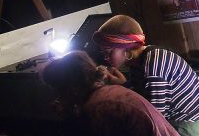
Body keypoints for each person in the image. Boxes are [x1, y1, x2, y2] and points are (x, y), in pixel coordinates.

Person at [92, 15, 199, 136]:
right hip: (177, 121)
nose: (105, 58)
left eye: (108, 52)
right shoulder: (138, 62)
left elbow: (154, 117)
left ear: (126, 46)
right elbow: (145, 98)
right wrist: (123, 85)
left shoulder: (153, 65)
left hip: (187, 126)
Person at [41, 51, 178, 136]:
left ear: (72, 88)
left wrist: (68, 117)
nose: (57, 98)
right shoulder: (111, 92)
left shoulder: (98, 108)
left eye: (57, 90)